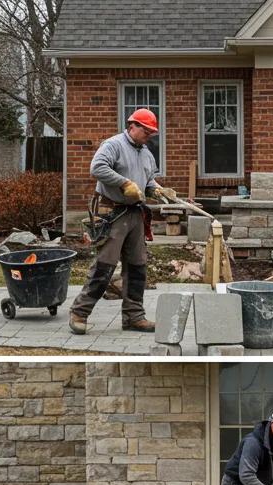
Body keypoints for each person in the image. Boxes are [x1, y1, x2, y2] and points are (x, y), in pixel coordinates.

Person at [69, 108, 177, 336]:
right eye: (145, 131)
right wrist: (124, 183)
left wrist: (157, 190)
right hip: (113, 213)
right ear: (132, 126)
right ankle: (79, 312)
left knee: (137, 266)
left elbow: (146, 182)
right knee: (104, 265)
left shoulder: (146, 153)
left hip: (135, 213)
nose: (148, 136)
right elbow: (97, 168)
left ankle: (133, 316)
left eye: (151, 133)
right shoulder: (113, 145)